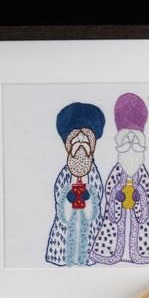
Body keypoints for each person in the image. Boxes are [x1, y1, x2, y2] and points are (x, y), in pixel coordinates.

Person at [90, 93, 149, 264]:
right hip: (117, 220)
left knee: (138, 233)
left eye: (135, 143)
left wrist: (139, 195)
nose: (130, 146)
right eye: (126, 143)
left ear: (141, 145)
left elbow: (147, 198)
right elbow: (109, 193)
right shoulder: (116, 171)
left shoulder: (143, 174)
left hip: (138, 222)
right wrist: (116, 195)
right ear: (120, 145)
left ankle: (137, 254)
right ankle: (116, 254)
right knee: (114, 232)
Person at [45, 102, 105, 266]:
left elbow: (98, 197)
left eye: (85, 141)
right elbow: (58, 197)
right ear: (68, 145)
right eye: (76, 141)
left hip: (89, 225)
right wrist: (67, 198)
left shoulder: (93, 174)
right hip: (66, 226)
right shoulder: (64, 174)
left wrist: (89, 198)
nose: (80, 145)